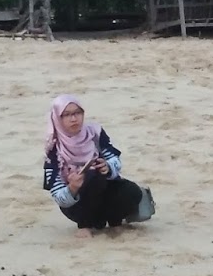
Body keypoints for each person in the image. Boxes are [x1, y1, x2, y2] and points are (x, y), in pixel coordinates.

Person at [43, 95, 151, 237]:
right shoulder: (54, 148)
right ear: (57, 118)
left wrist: (108, 167)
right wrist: (72, 187)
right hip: (78, 206)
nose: (74, 119)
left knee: (132, 191)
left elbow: (114, 159)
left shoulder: (94, 133)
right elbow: (58, 197)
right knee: (92, 177)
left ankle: (115, 222)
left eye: (77, 113)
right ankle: (84, 226)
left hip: (104, 195)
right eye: (66, 115)